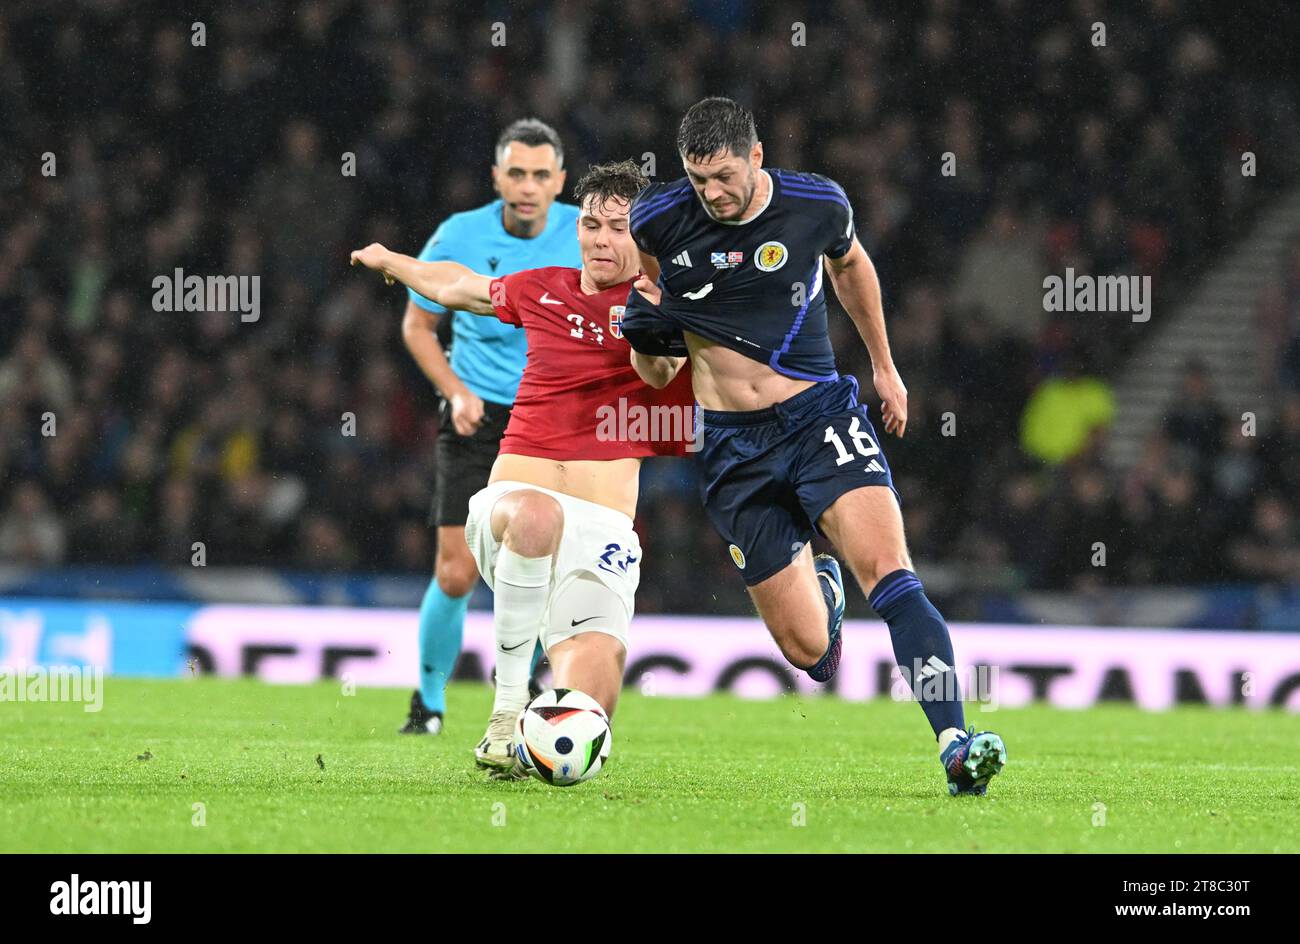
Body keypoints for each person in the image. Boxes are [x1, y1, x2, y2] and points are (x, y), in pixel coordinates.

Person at [623, 97, 1005, 796]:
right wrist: (646, 337)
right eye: (698, 178)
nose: (712, 193)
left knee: (891, 574)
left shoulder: (816, 205)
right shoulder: (656, 218)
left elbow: (851, 267)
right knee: (809, 654)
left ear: (758, 155)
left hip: (817, 417)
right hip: (733, 448)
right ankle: (823, 601)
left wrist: (884, 366)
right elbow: (656, 362)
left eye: (725, 176)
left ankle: (955, 741)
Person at [352, 159, 693, 776]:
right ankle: (505, 712)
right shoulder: (545, 288)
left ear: (645, 235)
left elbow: (663, 377)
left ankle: (535, 733)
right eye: (591, 224)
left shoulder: (673, 307)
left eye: (619, 228)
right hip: (514, 507)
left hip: (604, 539)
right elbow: (460, 287)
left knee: (584, 717)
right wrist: (391, 261)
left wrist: (653, 318)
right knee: (538, 514)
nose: (599, 239)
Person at [397, 119, 580, 735]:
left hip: (551, 419)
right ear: (496, 177)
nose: (527, 187)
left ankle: (525, 689)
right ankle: (428, 703)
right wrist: (454, 390)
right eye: (516, 173)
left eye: (540, 175)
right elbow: (417, 327)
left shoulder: (586, 234)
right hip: (476, 415)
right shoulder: (459, 235)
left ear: (559, 181)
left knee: (540, 565)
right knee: (455, 570)